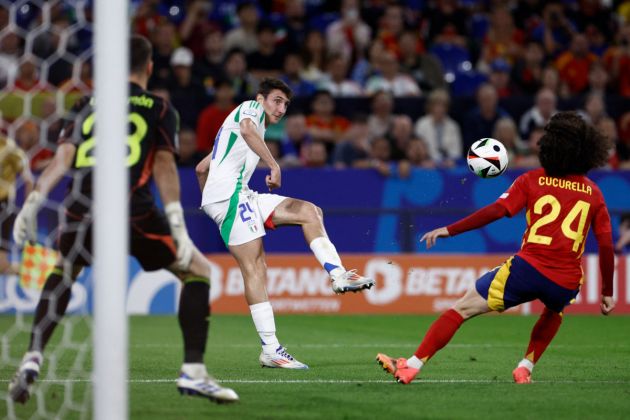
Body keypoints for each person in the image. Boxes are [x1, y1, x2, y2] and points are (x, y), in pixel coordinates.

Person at [8, 35, 238, 405]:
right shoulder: (159, 108)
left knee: (65, 270)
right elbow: (163, 166)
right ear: (149, 67)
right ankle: (194, 372)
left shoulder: (86, 103)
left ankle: (32, 357)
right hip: (134, 210)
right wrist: (176, 221)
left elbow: (62, 159)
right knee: (199, 271)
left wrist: (33, 200)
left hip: (81, 210)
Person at [377, 112, 615, 384]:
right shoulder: (594, 193)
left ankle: (412, 365)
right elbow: (606, 245)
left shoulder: (532, 180)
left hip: (527, 269)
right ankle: (525, 368)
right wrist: (607, 291)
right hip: (566, 279)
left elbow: (498, 210)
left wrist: (449, 229)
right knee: (554, 310)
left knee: (461, 309)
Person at [195, 78, 375, 369]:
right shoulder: (248, 110)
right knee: (254, 267)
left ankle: (338, 274)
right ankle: (271, 349)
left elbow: (202, 167)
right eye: (276, 101)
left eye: (286, 104)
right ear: (261, 99)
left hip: (240, 196)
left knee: (309, 211)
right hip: (230, 198)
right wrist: (273, 165)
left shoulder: (245, 128)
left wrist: (209, 200)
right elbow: (247, 130)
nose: (281, 108)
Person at [0, 135, 33, 274]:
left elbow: (29, 180)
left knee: (2, 264)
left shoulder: (9, 147)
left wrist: (28, 207)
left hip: (3, 203)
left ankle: (23, 270)